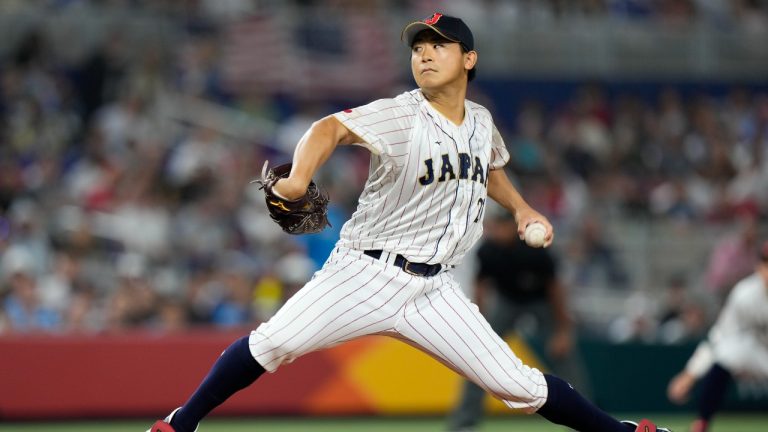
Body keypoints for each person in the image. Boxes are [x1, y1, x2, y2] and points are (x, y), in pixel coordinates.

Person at [148, 13, 670, 432]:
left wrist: (522, 208)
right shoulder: (401, 115)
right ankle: (179, 423)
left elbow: (487, 167)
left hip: (435, 289)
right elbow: (328, 128)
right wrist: (298, 176)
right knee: (274, 343)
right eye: (418, 46)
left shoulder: (482, 120)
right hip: (366, 273)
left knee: (520, 385)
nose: (423, 52)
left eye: (438, 45)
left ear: (469, 59)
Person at [447, 210, 588, 431]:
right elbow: (480, 287)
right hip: (507, 302)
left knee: (565, 355)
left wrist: (563, 330)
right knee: (477, 354)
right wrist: (477, 322)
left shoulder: (535, 252)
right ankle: (464, 423)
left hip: (542, 301)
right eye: (495, 226)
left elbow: (556, 290)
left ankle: (585, 419)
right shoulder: (489, 250)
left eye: (501, 226)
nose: (496, 231)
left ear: (513, 227)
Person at [667, 239, 768, 432]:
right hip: (757, 351)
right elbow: (720, 337)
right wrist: (690, 374)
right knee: (728, 353)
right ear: (758, 266)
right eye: (766, 263)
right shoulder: (745, 295)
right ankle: (702, 423)